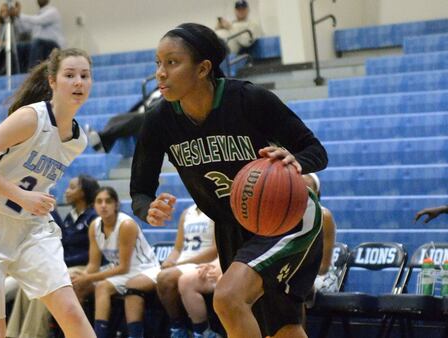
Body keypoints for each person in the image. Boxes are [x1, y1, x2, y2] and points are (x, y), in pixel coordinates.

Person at [130, 23, 328, 338]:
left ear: (203, 68)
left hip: (287, 220)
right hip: (231, 225)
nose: (160, 73)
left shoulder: (248, 99)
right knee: (282, 328)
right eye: (157, 63)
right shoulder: (158, 120)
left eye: (172, 62)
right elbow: (140, 191)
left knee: (228, 298)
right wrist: (147, 208)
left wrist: (297, 162)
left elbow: (316, 150)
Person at [0, 48, 96, 338]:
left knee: (70, 311)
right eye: (70, 75)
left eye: (84, 75)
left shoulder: (78, 139)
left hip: (32, 229)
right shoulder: (31, 118)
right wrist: (21, 196)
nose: (78, 82)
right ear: (53, 81)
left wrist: (29, 201)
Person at [6, 175, 100, 338]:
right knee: (28, 285)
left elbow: (93, 256)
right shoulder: (71, 217)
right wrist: (51, 210)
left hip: (84, 267)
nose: (67, 191)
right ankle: (13, 334)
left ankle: (33, 334)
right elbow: (60, 238)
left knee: (44, 285)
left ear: (84, 192)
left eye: (72, 187)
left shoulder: (93, 217)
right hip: (65, 265)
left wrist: (69, 265)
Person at [71, 186, 159, 338]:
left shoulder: (126, 225)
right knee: (77, 286)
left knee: (102, 287)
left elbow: (124, 268)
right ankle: (76, 333)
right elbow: (93, 264)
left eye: (108, 201)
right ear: (94, 205)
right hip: (118, 269)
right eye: (99, 201)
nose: (103, 205)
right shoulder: (94, 225)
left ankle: (100, 335)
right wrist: (82, 278)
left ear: (116, 204)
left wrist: (88, 278)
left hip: (142, 269)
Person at [124, 203, 217, 338]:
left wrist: (179, 264)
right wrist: (169, 261)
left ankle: (178, 328)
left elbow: (215, 250)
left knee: (165, 278)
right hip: (181, 264)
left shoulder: (214, 210)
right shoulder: (187, 212)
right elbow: (177, 248)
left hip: (201, 264)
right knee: (133, 285)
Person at [177, 259, 222, 338]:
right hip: (229, 262)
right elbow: (225, 252)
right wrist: (212, 265)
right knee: (186, 281)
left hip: (245, 266)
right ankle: (202, 332)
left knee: (225, 282)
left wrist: (225, 267)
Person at [15, 0, 65, 71]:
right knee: (20, 46)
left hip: (54, 46)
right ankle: (19, 73)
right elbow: (22, 30)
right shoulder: (37, 15)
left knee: (37, 42)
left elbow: (39, 20)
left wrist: (19, 14)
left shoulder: (53, 12)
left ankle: (33, 72)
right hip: (39, 45)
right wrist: (15, 17)